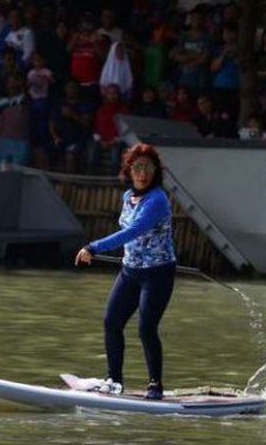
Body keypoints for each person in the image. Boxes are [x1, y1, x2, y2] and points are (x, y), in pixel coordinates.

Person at [74, 142, 177, 401]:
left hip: (158, 274)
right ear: (129, 170)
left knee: (146, 328)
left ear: (156, 171)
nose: (143, 173)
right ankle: (115, 381)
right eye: (138, 167)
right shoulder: (127, 197)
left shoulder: (157, 200)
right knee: (111, 322)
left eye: (148, 168)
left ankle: (155, 385)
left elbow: (132, 231)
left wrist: (92, 247)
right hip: (130, 272)